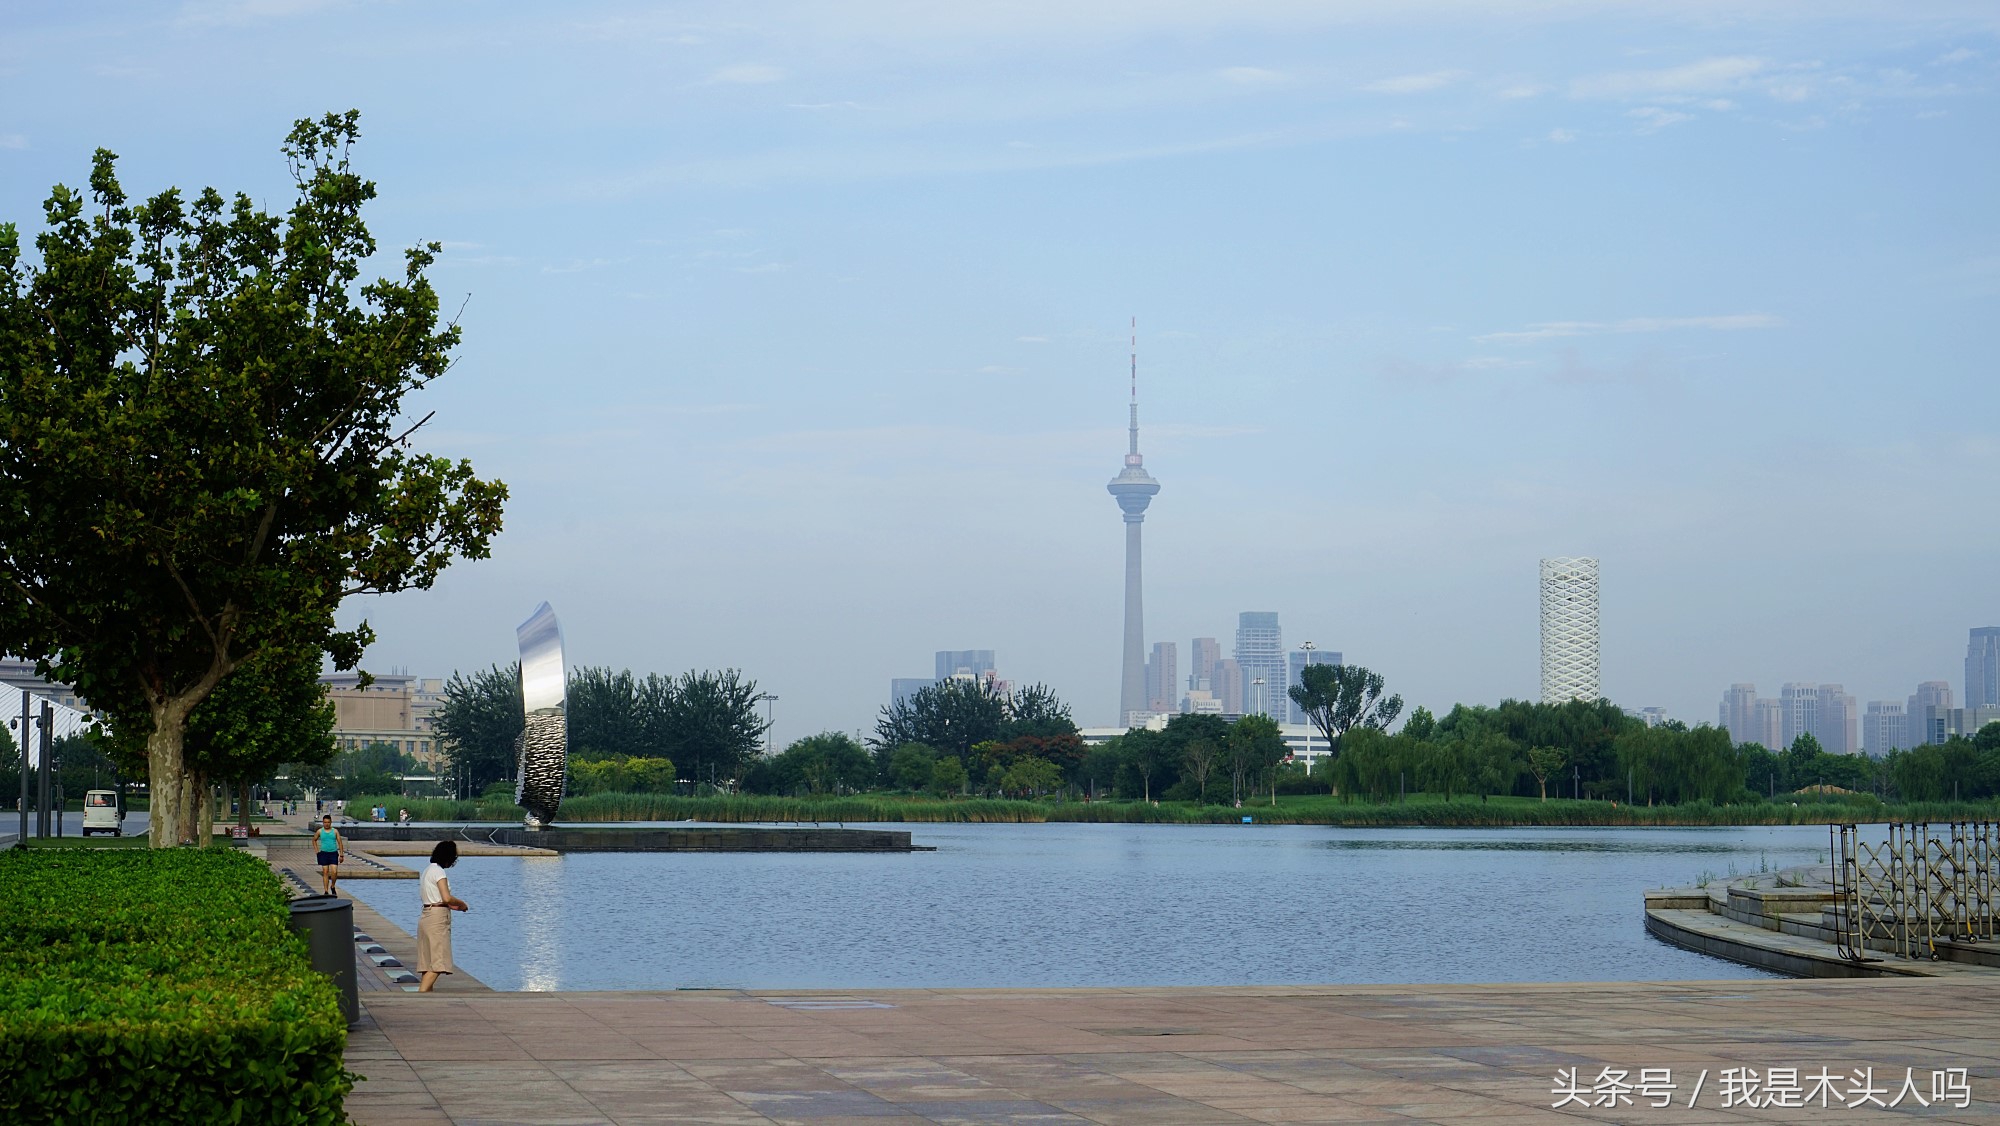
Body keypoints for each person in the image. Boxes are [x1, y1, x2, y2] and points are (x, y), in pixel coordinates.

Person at [417, 840, 470, 992]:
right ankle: (420, 997)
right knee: (439, 962)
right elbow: (446, 898)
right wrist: (462, 904)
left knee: (427, 964)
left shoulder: (427, 870)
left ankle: (427, 998)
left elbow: (436, 898)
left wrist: (453, 906)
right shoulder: (439, 872)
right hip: (437, 918)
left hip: (425, 915)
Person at [314, 815, 344, 896]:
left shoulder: (335, 831)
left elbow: (340, 843)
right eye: (325, 822)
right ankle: (326, 891)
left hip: (333, 853)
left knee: (334, 871)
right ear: (323, 823)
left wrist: (341, 855)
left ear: (331, 822)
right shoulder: (320, 831)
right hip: (323, 853)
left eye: (328, 822)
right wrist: (317, 851)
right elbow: (314, 840)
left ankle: (333, 886)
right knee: (325, 872)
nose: (326, 824)